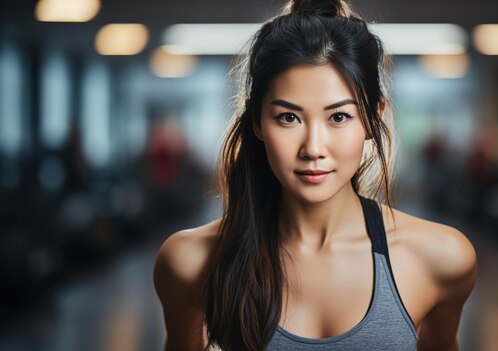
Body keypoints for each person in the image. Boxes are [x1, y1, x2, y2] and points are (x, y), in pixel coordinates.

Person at [153, 0, 477, 350]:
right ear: (258, 121)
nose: (313, 148)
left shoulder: (441, 258)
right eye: (288, 117)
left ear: (373, 117)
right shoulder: (191, 262)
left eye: (338, 117)